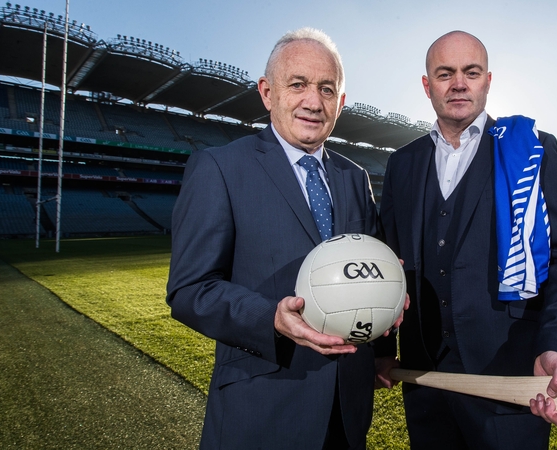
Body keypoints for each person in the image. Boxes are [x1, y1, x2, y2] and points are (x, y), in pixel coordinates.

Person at [167, 28, 400, 450]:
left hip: (347, 408)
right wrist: (269, 319)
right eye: (298, 85)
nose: (313, 101)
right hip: (263, 407)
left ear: (341, 103)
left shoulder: (354, 177)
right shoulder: (219, 167)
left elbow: (375, 270)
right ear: (267, 92)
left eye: (327, 89)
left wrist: (386, 340)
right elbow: (189, 290)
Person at [380, 30, 557, 449]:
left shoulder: (531, 148)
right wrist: (382, 348)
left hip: (510, 377)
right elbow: (387, 263)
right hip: (425, 378)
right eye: (445, 74)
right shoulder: (402, 163)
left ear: (488, 80)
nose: (458, 83)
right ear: (427, 85)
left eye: (470, 72)